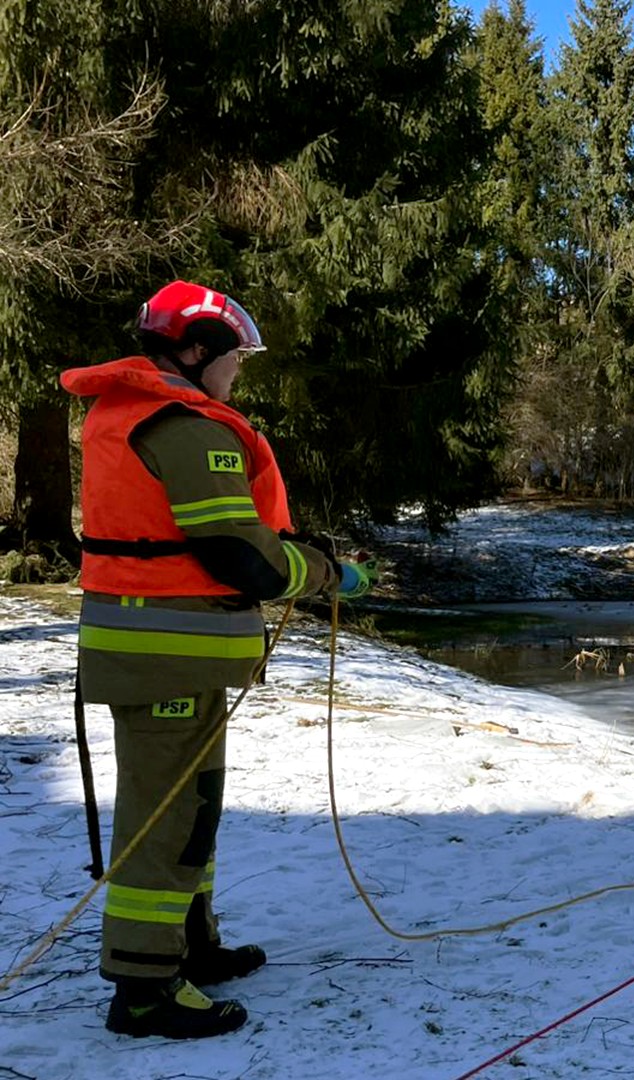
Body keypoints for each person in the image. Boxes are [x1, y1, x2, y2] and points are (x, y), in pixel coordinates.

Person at [60, 280, 376, 1040]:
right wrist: (329, 572)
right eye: (234, 359)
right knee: (166, 822)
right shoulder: (185, 428)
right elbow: (241, 555)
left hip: (168, 655)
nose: (238, 375)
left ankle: (188, 947)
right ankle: (143, 989)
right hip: (163, 657)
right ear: (195, 350)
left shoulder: (142, 415)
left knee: (190, 813)